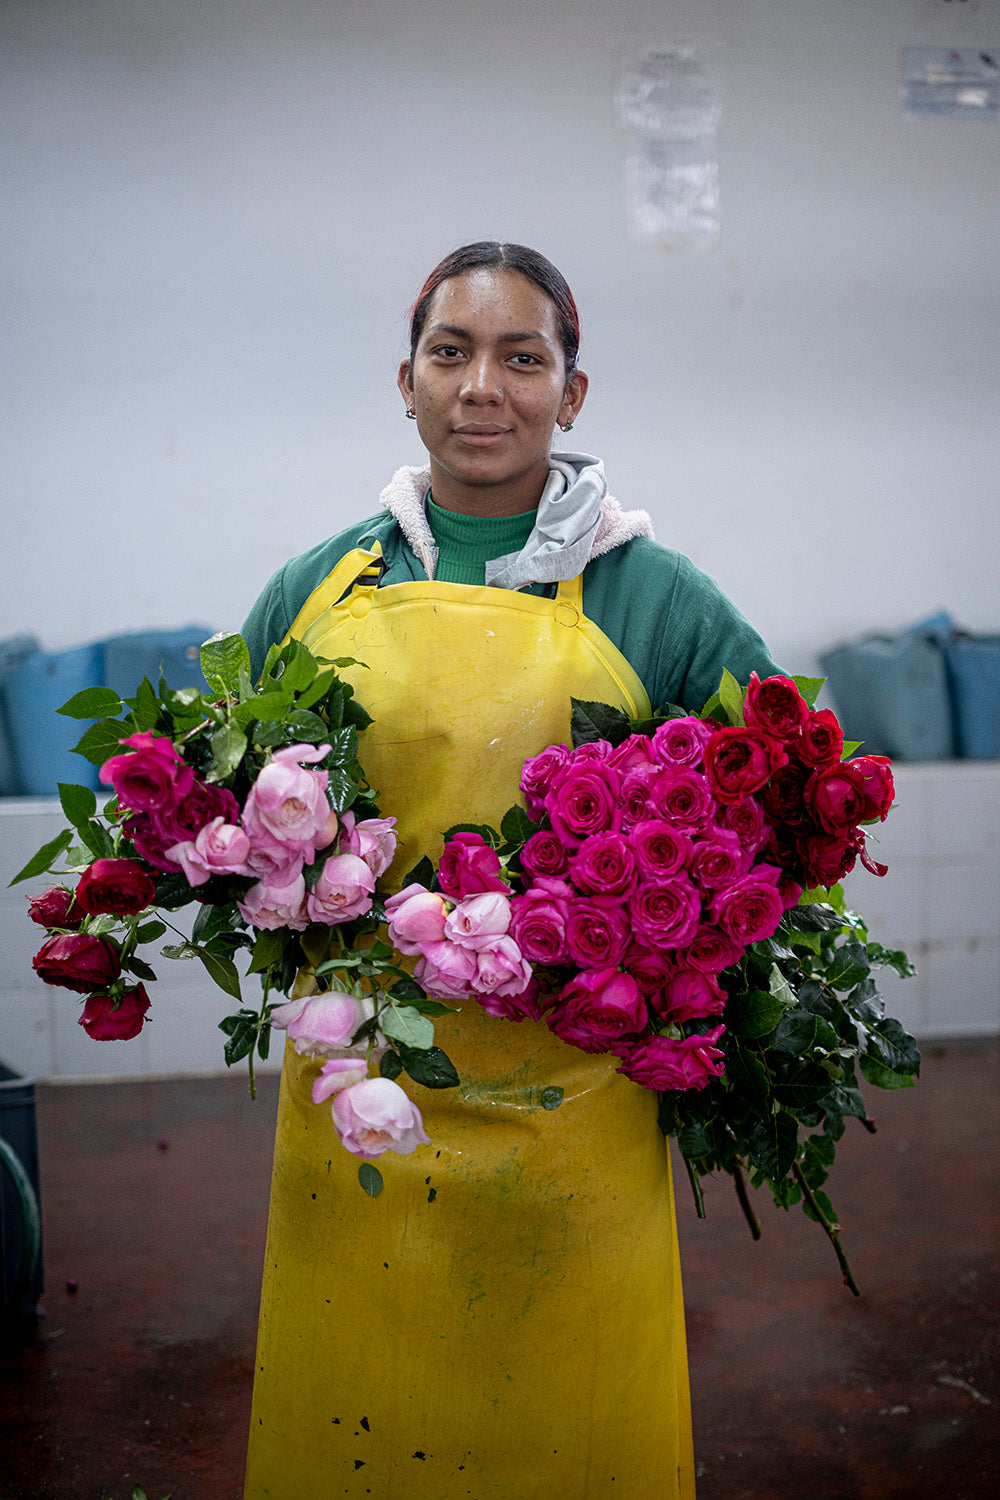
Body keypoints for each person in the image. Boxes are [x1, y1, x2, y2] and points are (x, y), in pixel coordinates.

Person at [241, 242, 780, 1500]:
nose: (483, 387)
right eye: (452, 352)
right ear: (407, 380)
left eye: (521, 358)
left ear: (570, 395)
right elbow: (233, 808)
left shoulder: (656, 598)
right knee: (363, 1394)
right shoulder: (316, 589)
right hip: (365, 1090)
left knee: (567, 1415)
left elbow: (790, 794)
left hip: (575, 1099)